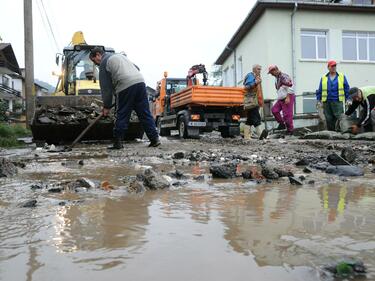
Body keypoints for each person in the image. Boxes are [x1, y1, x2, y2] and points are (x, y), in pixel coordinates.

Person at [89, 47, 160, 149]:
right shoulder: (120, 56)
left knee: (122, 114)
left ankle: (118, 143)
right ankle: (155, 139)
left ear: (98, 55)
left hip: (125, 85)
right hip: (140, 82)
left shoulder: (104, 62)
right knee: (145, 113)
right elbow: (137, 68)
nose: (96, 64)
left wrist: (106, 106)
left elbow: (106, 88)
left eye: (94, 61)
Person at [316, 60, 350, 131]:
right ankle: (332, 133)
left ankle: (341, 131)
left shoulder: (341, 76)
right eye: (332, 66)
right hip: (327, 101)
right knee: (328, 118)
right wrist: (319, 100)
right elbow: (320, 89)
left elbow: (346, 88)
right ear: (328, 67)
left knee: (339, 117)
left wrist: (348, 99)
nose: (334, 67)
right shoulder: (324, 78)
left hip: (337, 101)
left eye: (335, 66)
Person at [268, 65, 295, 135]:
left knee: (287, 115)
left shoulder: (283, 76)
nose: (271, 74)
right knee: (274, 110)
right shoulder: (277, 78)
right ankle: (282, 124)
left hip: (287, 97)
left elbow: (291, 86)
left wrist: (288, 97)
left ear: (275, 70)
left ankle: (290, 131)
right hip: (281, 98)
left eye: (271, 73)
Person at [243, 64, 267, 140]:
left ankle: (246, 136)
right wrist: (255, 82)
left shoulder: (257, 77)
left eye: (260, 69)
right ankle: (260, 134)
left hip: (255, 100)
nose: (260, 71)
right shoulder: (250, 76)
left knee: (250, 120)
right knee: (256, 117)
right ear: (254, 69)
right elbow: (246, 87)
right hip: (251, 101)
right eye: (258, 69)